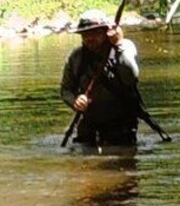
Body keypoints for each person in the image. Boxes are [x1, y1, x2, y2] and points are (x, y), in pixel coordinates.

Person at [60, 9, 140, 148]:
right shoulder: (76, 57)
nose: (90, 38)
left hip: (121, 124)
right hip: (88, 124)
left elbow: (131, 77)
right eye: (85, 34)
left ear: (106, 32)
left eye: (96, 33)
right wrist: (75, 102)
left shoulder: (124, 47)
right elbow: (65, 90)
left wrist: (119, 45)